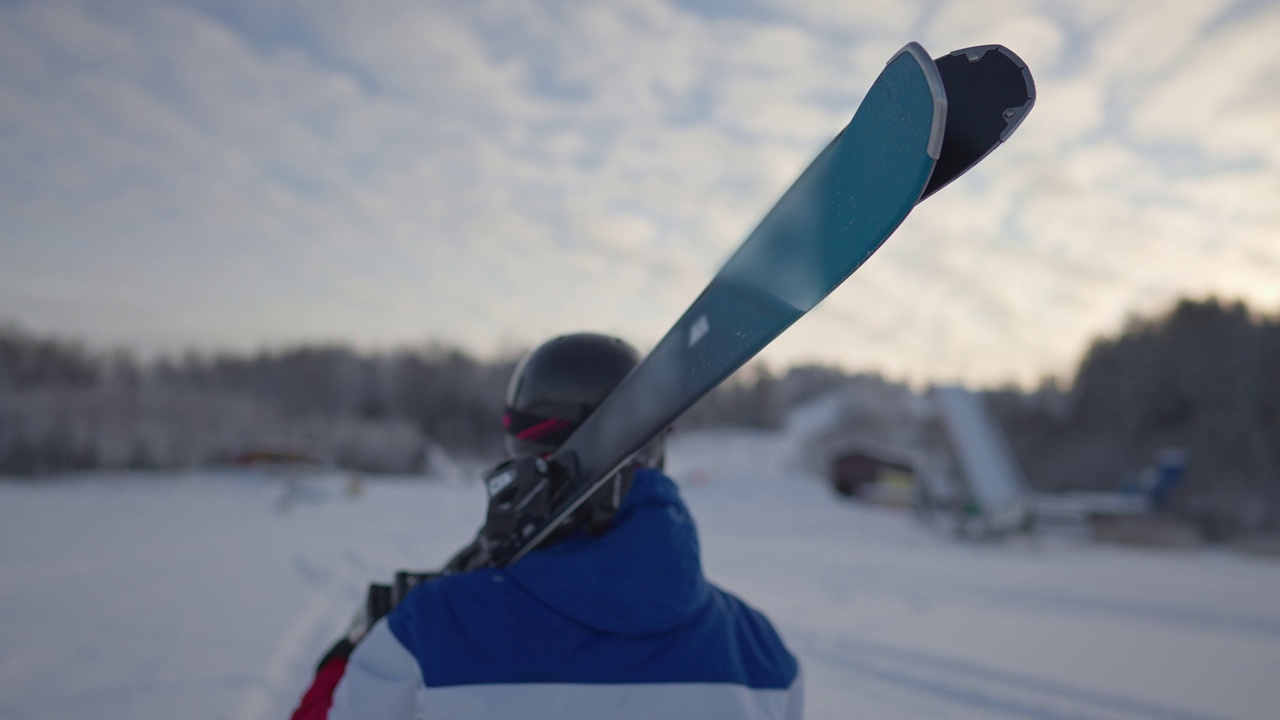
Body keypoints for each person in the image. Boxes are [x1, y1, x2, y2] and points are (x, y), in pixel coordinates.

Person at [290, 333, 802, 719]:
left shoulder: (424, 631)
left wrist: (348, 653)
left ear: (521, 449)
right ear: (656, 447)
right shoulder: (765, 654)